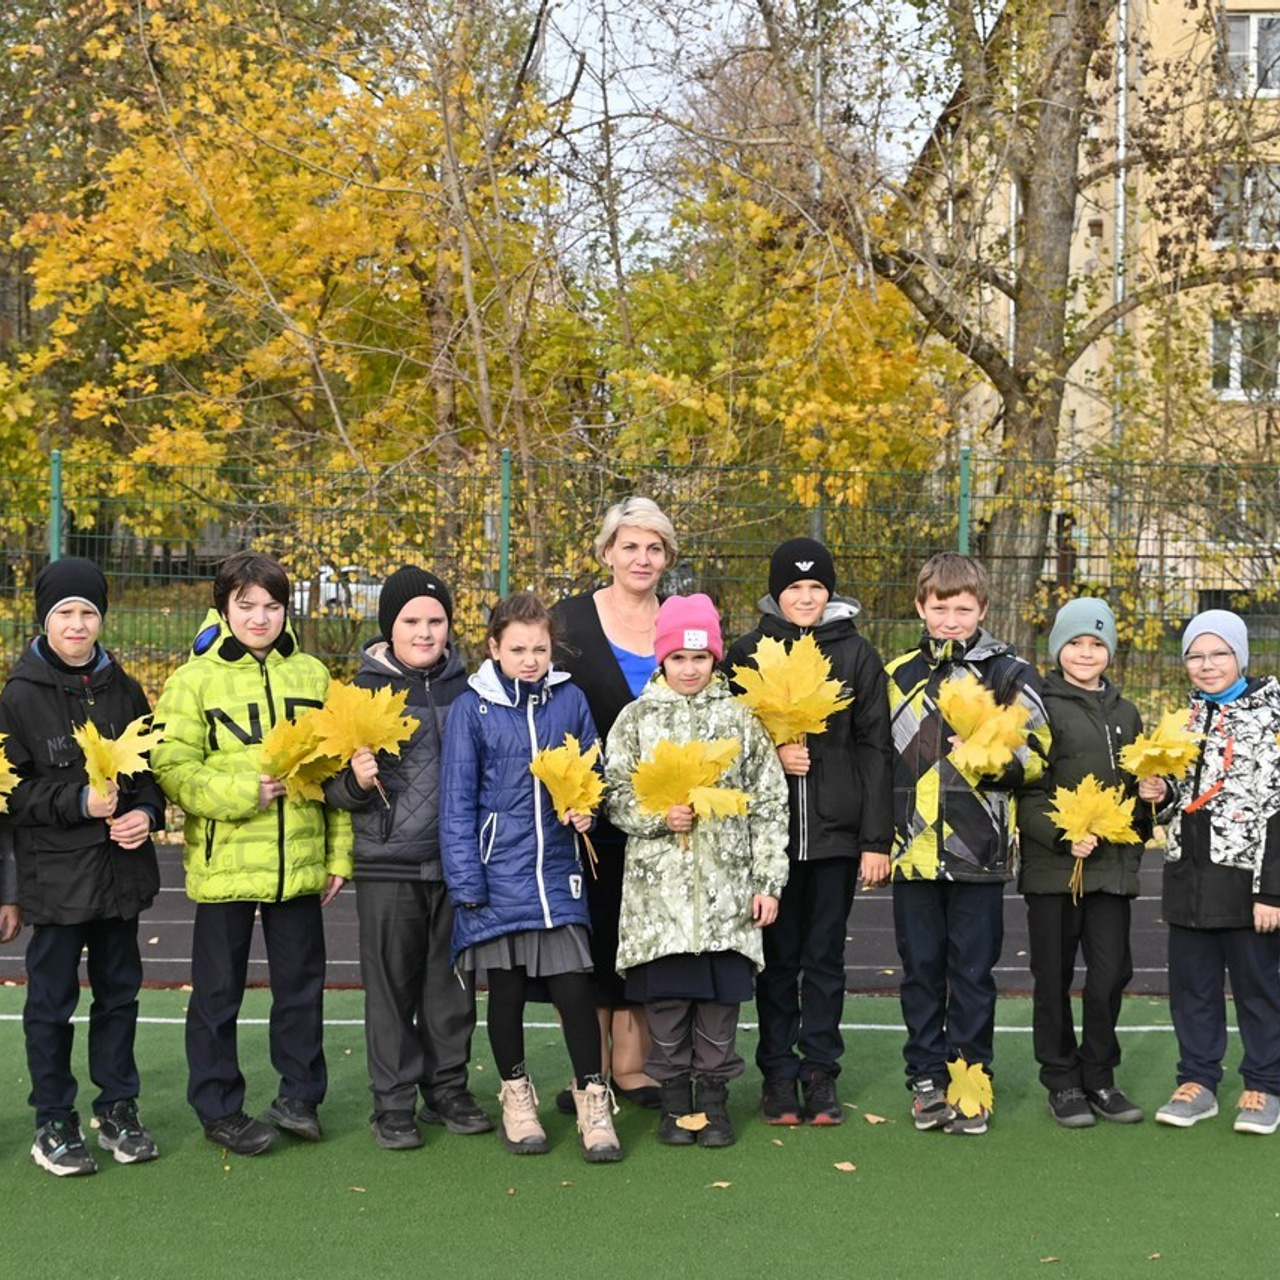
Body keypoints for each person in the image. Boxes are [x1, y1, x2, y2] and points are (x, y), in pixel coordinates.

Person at [151, 551, 352, 1156]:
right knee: (217, 992)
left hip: (299, 863)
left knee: (300, 986)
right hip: (227, 863)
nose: (260, 618)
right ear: (224, 608)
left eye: (271, 606)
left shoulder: (314, 675)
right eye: (246, 606)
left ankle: (300, 1097)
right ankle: (219, 1108)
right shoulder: (193, 679)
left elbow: (337, 768)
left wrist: (338, 854)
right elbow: (171, 767)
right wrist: (242, 792)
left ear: (286, 609)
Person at [440, 591, 622, 1163]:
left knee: (575, 987)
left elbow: (595, 770)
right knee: (509, 993)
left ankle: (593, 1096)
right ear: (493, 647)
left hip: (558, 874)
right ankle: (517, 1098)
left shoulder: (569, 700)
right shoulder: (474, 707)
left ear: (552, 648)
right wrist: (467, 884)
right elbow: (456, 802)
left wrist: (587, 809)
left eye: (539, 648)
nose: (529, 658)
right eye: (517, 648)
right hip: (496, 879)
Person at [606, 594, 789, 1148]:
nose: (690, 669)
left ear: (714, 660)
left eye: (701, 658)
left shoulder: (740, 720)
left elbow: (770, 802)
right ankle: (674, 1102)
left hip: (725, 896)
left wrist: (767, 882)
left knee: (717, 1005)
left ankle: (713, 1100)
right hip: (658, 902)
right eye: (679, 658)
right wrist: (659, 817)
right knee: (666, 1005)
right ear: (663, 659)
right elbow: (612, 795)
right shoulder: (636, 720)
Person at [0, 557, 163, 1175]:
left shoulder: (124, 689)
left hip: (120, 875)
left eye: (88, 612)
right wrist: (76, 801)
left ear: (101, 619)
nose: (77, 624)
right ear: (45, 619)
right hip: (55, 878)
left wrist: (145, 814)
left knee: (119, 997)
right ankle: (54, 1120)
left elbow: (150, 778)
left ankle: (118, 1107)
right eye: (65, 612)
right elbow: (11, 794)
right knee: (51, 1001)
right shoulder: (18, 696)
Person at [726, 538, 892, 1126]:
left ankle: (820, 1071)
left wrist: (875, 838)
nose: (805, 597)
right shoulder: (745, 653)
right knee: (774, 959)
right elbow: (728, 746)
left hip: (836, 839)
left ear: (830, 592)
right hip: (769, 845)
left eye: (816, 587)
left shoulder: (856, 656)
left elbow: (875, 747)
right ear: (776, 592)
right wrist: (774, 751)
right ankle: (777, 1072)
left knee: (824, 959)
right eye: (794, 587)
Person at [325, 566, 491, 1150]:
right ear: (388, 628)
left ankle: (446, 1088)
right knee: (391, 988)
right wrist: (355, 780)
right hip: (388, 864)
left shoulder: (472, 690)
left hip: (457, 864)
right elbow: (329, 789)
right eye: (411, 621)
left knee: (451, 987)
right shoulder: (359, 694)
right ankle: (392, 1102)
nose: (425, 632)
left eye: (435, 621)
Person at [886, 552, 1049, 1135]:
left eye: (962, 609)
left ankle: (972, 1078)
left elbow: (1038, 758)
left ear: (982, 608)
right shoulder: (898, 673)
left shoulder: (1009, 674)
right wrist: (882, 839)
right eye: (939, 608)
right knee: (920, 969)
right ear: (920, 607)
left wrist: (987, 758)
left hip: (978, 854)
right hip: (913, 853)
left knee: (973, 973)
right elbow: (881, 759)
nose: (950, 620)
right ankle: (926, 1078)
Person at [551, 497, 678, 1109]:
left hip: (660, 816)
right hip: (584, 812)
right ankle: (589, 1068)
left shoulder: (683, 619)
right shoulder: (567, 622)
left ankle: (634, 1066)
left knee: (647, 931)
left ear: (667, 557)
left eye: (654, 547)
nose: (641, 558)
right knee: (587, 934)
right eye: (629, 545)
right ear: (606, 552)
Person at [1139, 610, 1280, 1135]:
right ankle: (1197, 1080)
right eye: (1195, 656)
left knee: (1258, 989)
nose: (1206, 665)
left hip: (1249, 884)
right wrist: (1161, 794)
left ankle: (1264, 1084)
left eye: (1219, 653)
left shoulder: (1274, 717)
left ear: (1241, 656)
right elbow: (1184, 798)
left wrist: (1274, 891)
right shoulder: (1184, 720)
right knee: (1192, 988)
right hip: (1188, 878)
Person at [1017, 598, 1149, 1128]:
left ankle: (1100, 1076)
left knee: (1111, 973)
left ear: (1110, 651)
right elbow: (1024, 790)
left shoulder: (1127, 712)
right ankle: (1063, 1081)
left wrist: (1152, 793)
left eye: (1097, 643)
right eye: (1075, 642)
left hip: (1111, 868)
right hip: (1056, 869)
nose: (1086, 653)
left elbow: (1140, 791)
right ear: (1058, 649)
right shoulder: (1037, 705)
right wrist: (1060, 836)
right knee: (1053, 976)